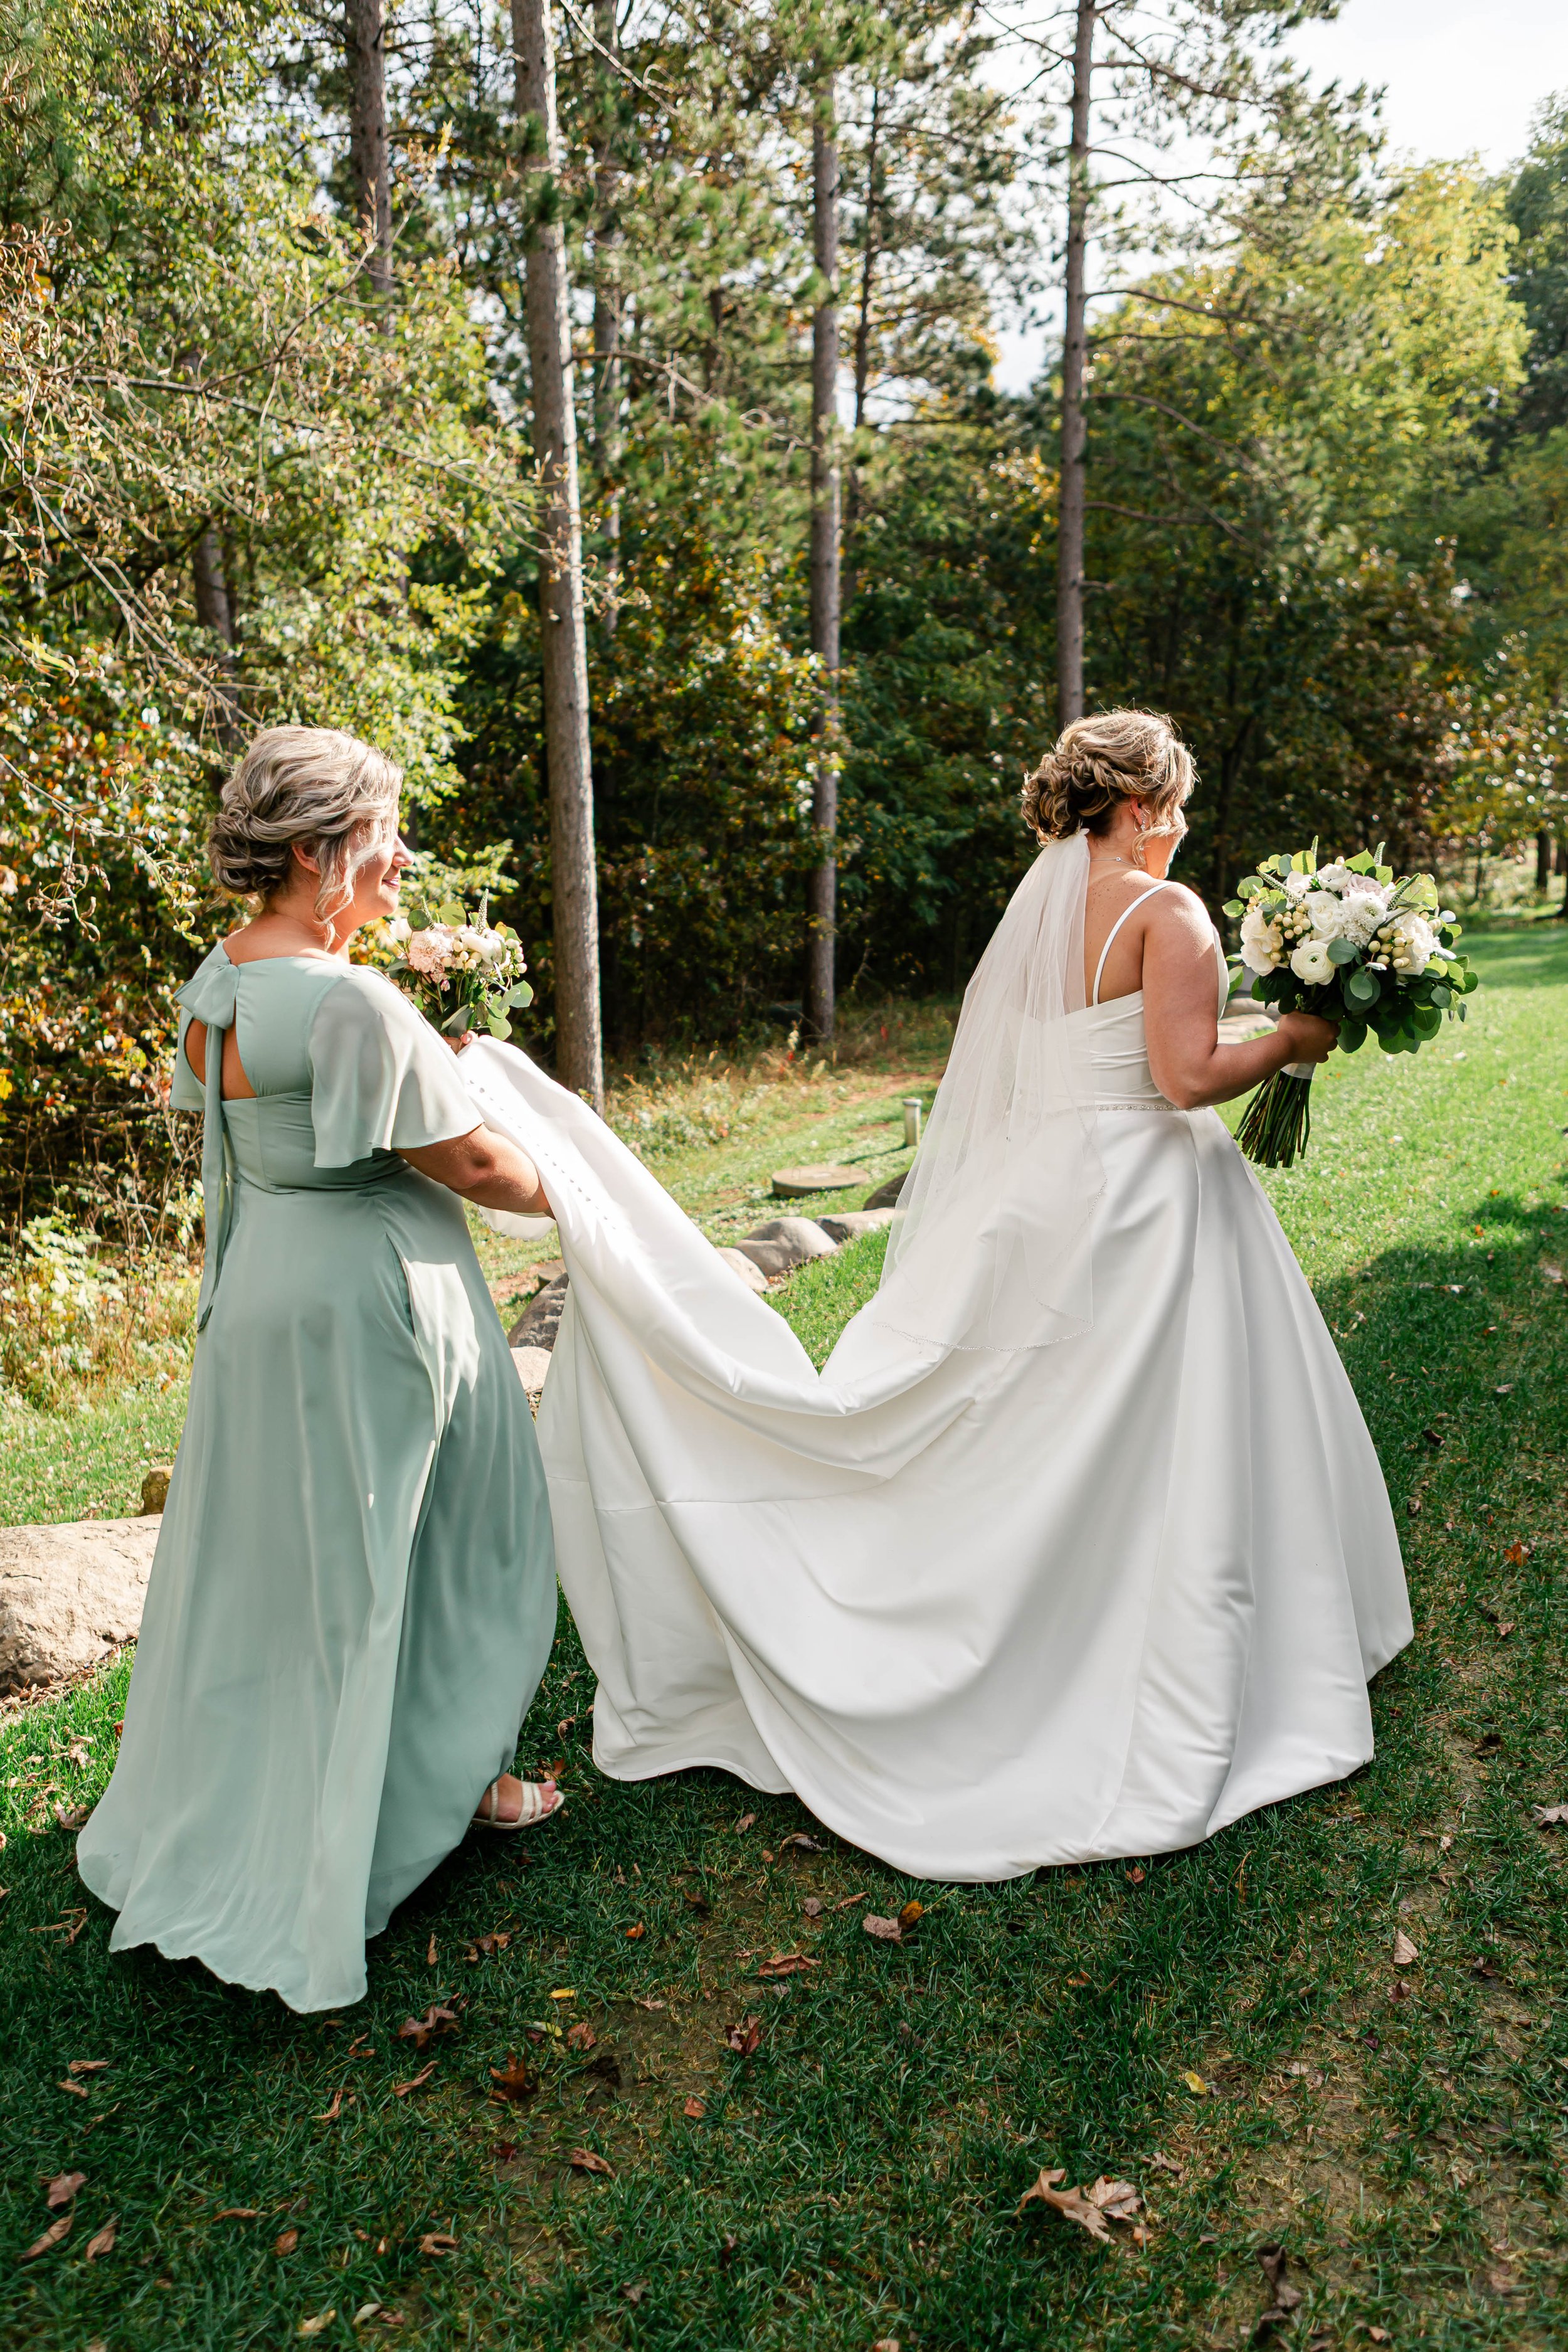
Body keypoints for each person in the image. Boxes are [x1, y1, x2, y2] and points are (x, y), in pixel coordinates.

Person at [457, 707, 1412, 1882]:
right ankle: (1175, 1641)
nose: (1183, 823)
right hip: (1151, 1204)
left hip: (1048, 1194)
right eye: (1178, 801)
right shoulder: (1171, 912)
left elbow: (1072, 1060)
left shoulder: (1048, 912)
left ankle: (1034, 1605)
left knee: (1041, 1418)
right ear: (1147, 802)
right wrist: (1297, 1036)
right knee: (1171, 1422)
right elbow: (1181, 1076)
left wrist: (1249, 1031)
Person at [77, 726, 561, 2013]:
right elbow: (466, 1165)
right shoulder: (347, 1000)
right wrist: (572, 1180)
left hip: (257, 1311)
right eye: (382, 836)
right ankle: (447, 1788)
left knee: (286, 1569)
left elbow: (257, 1125)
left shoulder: (214, 982)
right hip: (366, 1308)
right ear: (314, 853)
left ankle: (265, 1794)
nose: (401, 861)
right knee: (448, 1541)